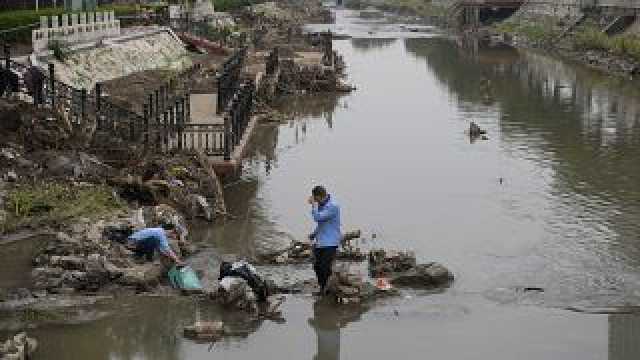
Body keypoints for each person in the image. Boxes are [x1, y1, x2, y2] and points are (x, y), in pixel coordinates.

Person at [308, 185, 342, 296]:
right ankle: (323, 288)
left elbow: (318, 217)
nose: (315, 201)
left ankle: (328, 289)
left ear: (320, 196)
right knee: (317, 266)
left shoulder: (333, 206)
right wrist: (314, 233)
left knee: (325, 267)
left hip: (331, 242)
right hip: (321, 242)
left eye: (316, 199)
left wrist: (313, 205)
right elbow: (322, 224)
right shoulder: (322, 205)